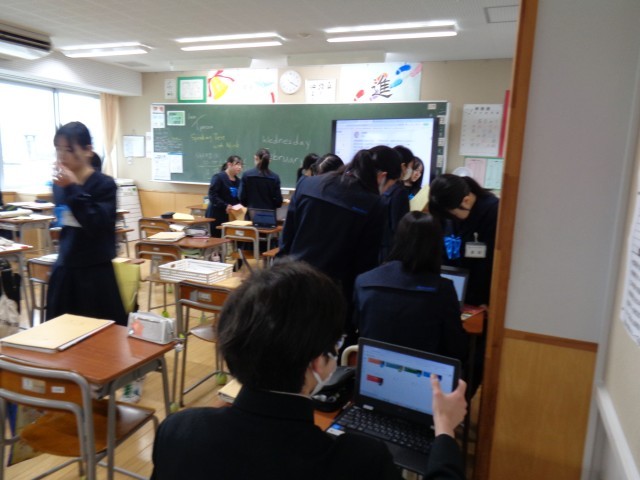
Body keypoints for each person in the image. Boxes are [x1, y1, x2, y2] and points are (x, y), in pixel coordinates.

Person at [150, 260, 467, 480]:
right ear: (317, 363)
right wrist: (444, 430)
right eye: (334, 345)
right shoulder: (360, 462)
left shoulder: (179, 431)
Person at [279, 147, 396, 305]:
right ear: (382, 177)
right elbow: (364, 264)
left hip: (293, 282)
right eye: (391, 186)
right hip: (333, 295)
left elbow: (286, 239)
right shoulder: (374, 205)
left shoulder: (307, 184)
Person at [353, 211, 469, 363]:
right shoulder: (442, 290)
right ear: (436, 245)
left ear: (398, 238)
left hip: (372, 368)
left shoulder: (364, 281)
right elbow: (456, 348)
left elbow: (357, 327)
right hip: (422, 372)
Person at [46, 121, 127, 325]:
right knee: (61, 332)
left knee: (102, 334)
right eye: (58, 149)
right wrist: (67, 187)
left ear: (88, 150)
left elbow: (96, 224)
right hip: (65, 268)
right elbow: (65, 222)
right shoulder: (60, 185)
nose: (62, 156)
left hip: (95, 272)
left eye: (68, 150)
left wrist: (72, 187)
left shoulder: (104, 184)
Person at [428, 174, 499, 307]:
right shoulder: (449, 209)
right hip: (453, 285)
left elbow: (489, 265)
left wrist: (481, 300)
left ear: (466, 201)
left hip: (480, 293)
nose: (450, 220)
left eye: (452, 215)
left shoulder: (493, 212)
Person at [205, 155, 243, 236]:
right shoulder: (218, 177)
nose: (239, 167)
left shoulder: (238, 181)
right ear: (229, 164)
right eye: (237, 164)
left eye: (241, 165)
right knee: (217, 238)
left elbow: (238, 198)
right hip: (217, 214)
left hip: (230, 215)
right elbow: (212, 195)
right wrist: (225, 205)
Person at [239, 147, 283, 211]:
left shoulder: (247, 175)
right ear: (269, 160)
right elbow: (279, 201)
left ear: (256, 158)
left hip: (251, 212)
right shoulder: (275, 177)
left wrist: (249, 204)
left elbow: (241, 197)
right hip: (269, 214)